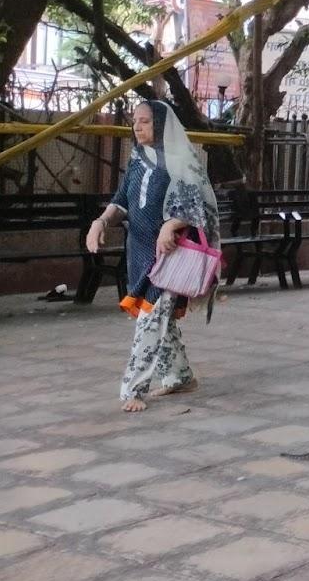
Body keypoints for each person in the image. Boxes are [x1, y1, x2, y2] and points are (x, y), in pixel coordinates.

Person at [85, 99, 219, 413]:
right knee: (161, 321)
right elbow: (121, 201)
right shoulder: (138, 160)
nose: (137, 126)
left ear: (161, 124)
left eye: (145, 121)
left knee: (150, 320)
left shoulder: (180, 160)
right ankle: (180, 377)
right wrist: (100, 222)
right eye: (135, 121)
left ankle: (133, 389)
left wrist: (170, 225)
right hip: (139, 253)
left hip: (169, 257)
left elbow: (196, 206)